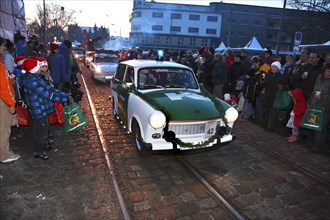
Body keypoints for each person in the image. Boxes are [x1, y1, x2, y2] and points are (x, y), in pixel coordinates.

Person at [20, 58, 69, 160]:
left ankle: (42, 146)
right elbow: (48, 94)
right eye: (39, 67)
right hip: (38, 110)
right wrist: (64, 97)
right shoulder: (32, 81)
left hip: (41, 108)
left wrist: (64, 94)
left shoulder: (35, 78)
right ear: (33, 69)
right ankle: (39, 151)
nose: (41, 69)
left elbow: (49, 89)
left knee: (43, 129)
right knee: (41, 132)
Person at [0, 37, 20, 163]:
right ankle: (4, 154)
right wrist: (11, 103)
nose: (4, 48)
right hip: (2, 101)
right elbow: (3, 87)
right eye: (2, 45)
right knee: (3, 128)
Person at [308, 62, 330, 153]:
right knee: (314, 126)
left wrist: (322, 97)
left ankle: (318, 146)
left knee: (321, 128)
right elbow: (314, 90)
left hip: (325, 108)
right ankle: (315, 143)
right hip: (315, 106)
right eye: (329, 71)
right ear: (324, 71)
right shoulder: (319, 79)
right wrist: (309, 102)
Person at [260, 61, 287, 130]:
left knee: (273, 111)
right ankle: (265, 123)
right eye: (272, 67)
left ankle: (270, 126)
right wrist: (262, 80)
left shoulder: (281, 76)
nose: (273, 68)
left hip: (276, 96)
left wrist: (280, 87)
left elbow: (285, 86)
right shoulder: (268, 75)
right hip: (268, 94)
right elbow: (263, 84)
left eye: (274, 67)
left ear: (278, 68)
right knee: (267, 110)